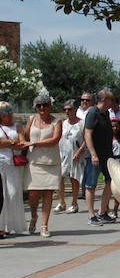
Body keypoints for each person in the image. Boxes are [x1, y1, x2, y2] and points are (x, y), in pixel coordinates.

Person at [23, 94, 62, 237]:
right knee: (32, 193)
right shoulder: (31, 120)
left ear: (50, 106)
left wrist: (34, 143)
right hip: (33, 161)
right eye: (38, 105)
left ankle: (44, 225)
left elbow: (54, 139)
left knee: (48, 193)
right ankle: (34, 216)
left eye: (44, 105)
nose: (42, 108)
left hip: (51, 162)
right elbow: (25, 137)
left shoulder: (57, 121)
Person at [83, 89, 115, 225]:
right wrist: (93, 154)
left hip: (107, 154)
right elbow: (87, 134)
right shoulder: (92, 112)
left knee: (110, 182)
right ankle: (91, 215)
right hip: (94, 155)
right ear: (103, 99)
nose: (113, 102)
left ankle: (103, 212)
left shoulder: (106, 113)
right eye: (111, 99)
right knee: (91, 184)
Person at [0, 101, 26, 236]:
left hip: (13, 164)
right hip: (0, 164)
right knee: (1, 195)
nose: (7, 114)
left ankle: (13, 224)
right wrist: (11, 142)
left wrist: (5, 144)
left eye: (9, 111)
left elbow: (22, 144)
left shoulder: (17, 125)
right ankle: (1, 226)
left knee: (13, 193)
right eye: (4, 112)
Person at [55, 99, 85, 214]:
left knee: (74, 178)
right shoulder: (63, 123)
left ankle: (74, 203)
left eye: (70, 109)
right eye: (65, 109)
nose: (67, 111)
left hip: (76, 154)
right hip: (63, 154)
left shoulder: (81, 123)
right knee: (60, 177)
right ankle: (61, 202)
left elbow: (86, 139)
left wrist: (79, 151)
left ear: (75, 110)